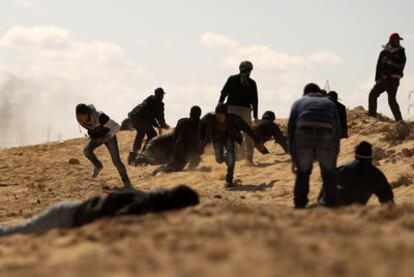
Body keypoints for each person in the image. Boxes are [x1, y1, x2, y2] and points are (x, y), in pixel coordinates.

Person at [0, 185, 199, 236]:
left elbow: (159, 191)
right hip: (66, 217)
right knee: (13, 234)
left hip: (74, 213)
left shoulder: (154, 199)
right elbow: (122, 219)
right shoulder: (146, 206)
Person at [288, 83, 340, 208]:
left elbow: (291, 131)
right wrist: (334, 152)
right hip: (325, 134)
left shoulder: (298, 103)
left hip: (304, 133)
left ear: (305, 93)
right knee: (328, 173)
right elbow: (337, 129)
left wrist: (294, 158)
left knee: (303, 172)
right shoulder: (330, 104)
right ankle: (331, 204)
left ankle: (300, 204)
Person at [200, 103, 267, 188]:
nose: (219, 116)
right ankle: (227, 158)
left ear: (226, 114)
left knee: (231, 154)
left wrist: (257, 141)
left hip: (229, 136)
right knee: (219, 159)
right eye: (217, 114)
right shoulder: (209, 118)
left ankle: (229, 180)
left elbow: (247, 129)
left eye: (221, 114)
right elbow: (201, 127)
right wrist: (202, 142)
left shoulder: (234, 119)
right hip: (217, 139)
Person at [318, 141, 394, 206]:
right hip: (354, 213)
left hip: (330, 209)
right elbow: (388, 201)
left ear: (355, 155)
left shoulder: (343, 168)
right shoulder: (376, 174)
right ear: (371, 157)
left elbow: (326, 186)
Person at [76, 104, 132, 189]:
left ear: (87, 113)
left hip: (109, 137)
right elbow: (91, 128)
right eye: (77, 115)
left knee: (116, 161)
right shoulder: (81, 120)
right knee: (87, 150)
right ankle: (98, 166)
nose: (79, 118)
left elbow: (117, 126)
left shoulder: (101, 117)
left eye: (81, 116)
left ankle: (127, 184)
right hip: (97, 137)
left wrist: (106, 137)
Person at [219, 61, 259, 166]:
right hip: (245, 110)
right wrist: (255, 116)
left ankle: (227, 155)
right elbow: (255, 100)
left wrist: (220, 104)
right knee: (248, 134)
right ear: (250, 71)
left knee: (228, 132)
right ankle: (249, 159)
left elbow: (224, 92)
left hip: (231, 109)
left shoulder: (232, 79)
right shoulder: (252, 83)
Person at [368, 33, 407, 122]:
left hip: (393, 80)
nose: (399, 42)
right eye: (397, 40)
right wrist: (377, 79)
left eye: (399, 40)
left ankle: (399, 121)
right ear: (392, 40)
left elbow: (401, 65)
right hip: (383, 80)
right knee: (372, 94)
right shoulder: (384, 52)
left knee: (391, 100)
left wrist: (390, 62)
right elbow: (378, 66)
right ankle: (372, 118)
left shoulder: (401, 52)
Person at [128, 87, 169, 164]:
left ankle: (134, 153)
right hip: (140, 118)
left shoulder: (148, 100)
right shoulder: (159, 103)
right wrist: (163, 125)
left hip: (133, 116)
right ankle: (144, 153)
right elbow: (159, 117)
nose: (163, 97)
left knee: (140, 133)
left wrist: (158, 125)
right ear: (161, 95)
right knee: (153, 134)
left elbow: (150, 116)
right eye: (163, 95)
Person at [161, 105, 203, 172]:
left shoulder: (182, 121)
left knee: (173, 165)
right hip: (186, 152)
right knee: (174, 168)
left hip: (178, 149)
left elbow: (175, 136)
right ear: (199, 115)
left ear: (190, 113)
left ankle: (162, 169)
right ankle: (161, 171)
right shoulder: (199, 125)